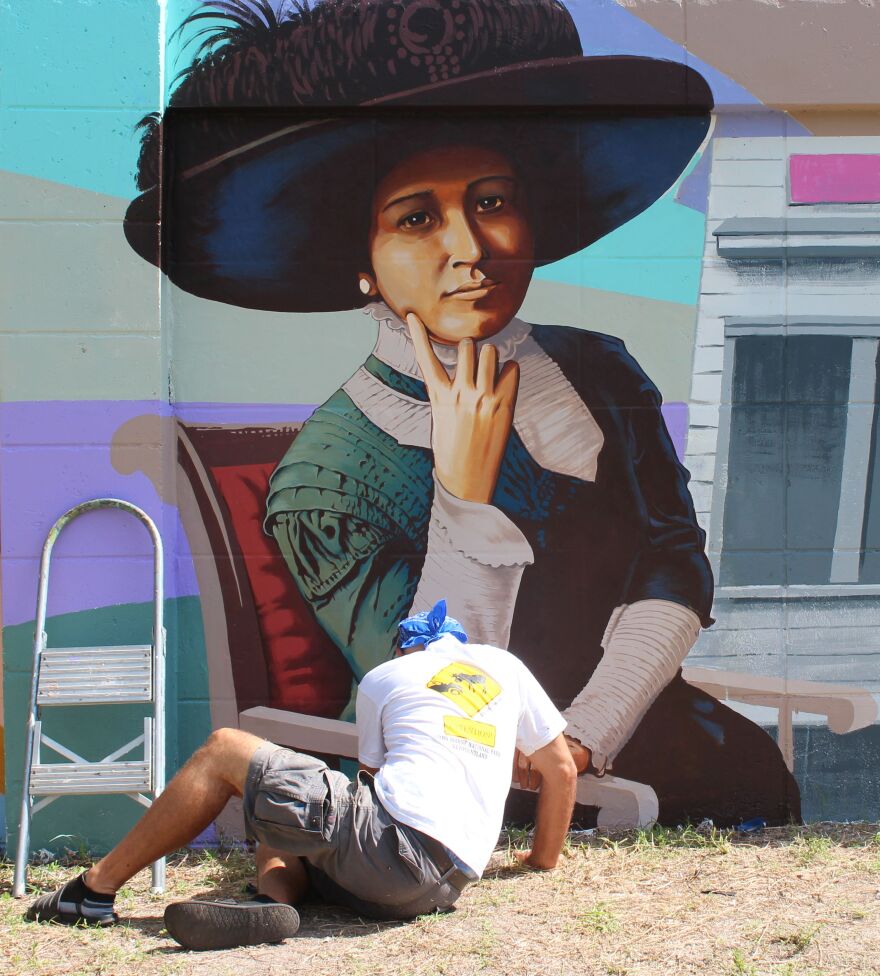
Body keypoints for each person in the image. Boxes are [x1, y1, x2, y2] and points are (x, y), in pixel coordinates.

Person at [124, 0, 801, 825]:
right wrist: (464, 502)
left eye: (492, 201)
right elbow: (435, 692)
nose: (471, 250)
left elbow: (673, 559)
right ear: (363, 264)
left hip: (644, 735)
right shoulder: (325, 475)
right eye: (417, 219)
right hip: (464, 783)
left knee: (749, 777)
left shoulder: (596, 365)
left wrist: (590, 731)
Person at [26, 600, 576, 950]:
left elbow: (371, 777)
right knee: (285, 812)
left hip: (392, 850)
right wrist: (539, 860)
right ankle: (275, 907)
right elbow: (562, 772)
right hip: (438, 887)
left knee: (225, 751)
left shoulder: (385, 677)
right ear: (457, 642)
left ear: (404, 646)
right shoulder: (505, 667)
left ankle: (91, 892)